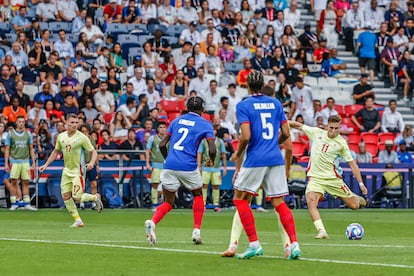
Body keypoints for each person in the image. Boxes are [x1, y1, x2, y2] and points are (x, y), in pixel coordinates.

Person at [228, 70, 300, 260]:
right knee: (279, 203)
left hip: (256, 159)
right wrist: (273, 144)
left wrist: (237, 153)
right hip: (275, 158)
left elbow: (245, 136)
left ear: (247, 86)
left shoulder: (244, 105)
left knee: (240, 199)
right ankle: (294, 245)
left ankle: (254, 244)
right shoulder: (276, 103)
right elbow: (286, 132)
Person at [144, 96, 216, 246]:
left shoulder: (176, 121)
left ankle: (153, 222)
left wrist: (167, 159)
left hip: (170, 165)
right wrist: (211, 160)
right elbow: (212, 148)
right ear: (202, 109)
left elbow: (162, 144)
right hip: (188, 166)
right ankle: (196, 230)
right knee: (197, 195)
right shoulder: (206, 124)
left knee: (168, 202)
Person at [289, 114, 368, 239]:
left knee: (354, 206)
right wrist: (282, 121)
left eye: (336, 128)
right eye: (331, 128)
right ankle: (321, 231)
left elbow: (353, 165)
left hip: (333, 179)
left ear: (340, 127)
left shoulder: (341, 143)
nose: (333, 131)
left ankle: (357, 198)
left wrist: (361, 184)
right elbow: (298, 125)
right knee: (310, 200)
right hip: (315, 178)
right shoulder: (316, 133)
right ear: (327, 126)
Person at [39, 114, 104, 227]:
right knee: (65, 196)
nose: (74, 125)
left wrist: (92, 163)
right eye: (72, 122)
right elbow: (55, 151)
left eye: (76, 122)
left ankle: (95, 197)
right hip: (66, 171)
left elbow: (93, 151)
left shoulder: (82, 137)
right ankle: (78, 220)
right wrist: (46, 164)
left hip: (78, 171)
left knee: (77, 198)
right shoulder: (61, 136)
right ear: (67, 123)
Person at [4, 116, 37, 211]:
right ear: (16, 122)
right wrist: (6, 163)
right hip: (14, 161)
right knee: (14, 182)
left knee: (25, 182)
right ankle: (14, 203)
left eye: (23, 122)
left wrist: (33, 162)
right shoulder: (10, 134)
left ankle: (27, 203)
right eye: (19, 122)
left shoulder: (28, 134)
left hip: (25, 161)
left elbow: (31, 149)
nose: (21, 123)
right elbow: (7, 149)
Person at [197, 131, 227, 209]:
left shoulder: (220, 141)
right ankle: (203, 204)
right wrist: (199, 166)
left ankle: (216, 204)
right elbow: (200, 153)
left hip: (216, 168)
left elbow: (223, 154)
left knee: (216, 186)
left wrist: (224, 167)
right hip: (205, 168)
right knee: (204, 185)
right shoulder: (203, 141)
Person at [145, 122, 167, 206]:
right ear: (157, 129)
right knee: (155, 183)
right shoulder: (152, 138)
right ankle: (154, 203)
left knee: (167, 185)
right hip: (156, 164)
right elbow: (147, 150)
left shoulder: (169, 139)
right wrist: (147, 163)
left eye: (164, 127)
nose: (162, 129)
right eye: (160, 127)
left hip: (166, 165)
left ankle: (165, 203)